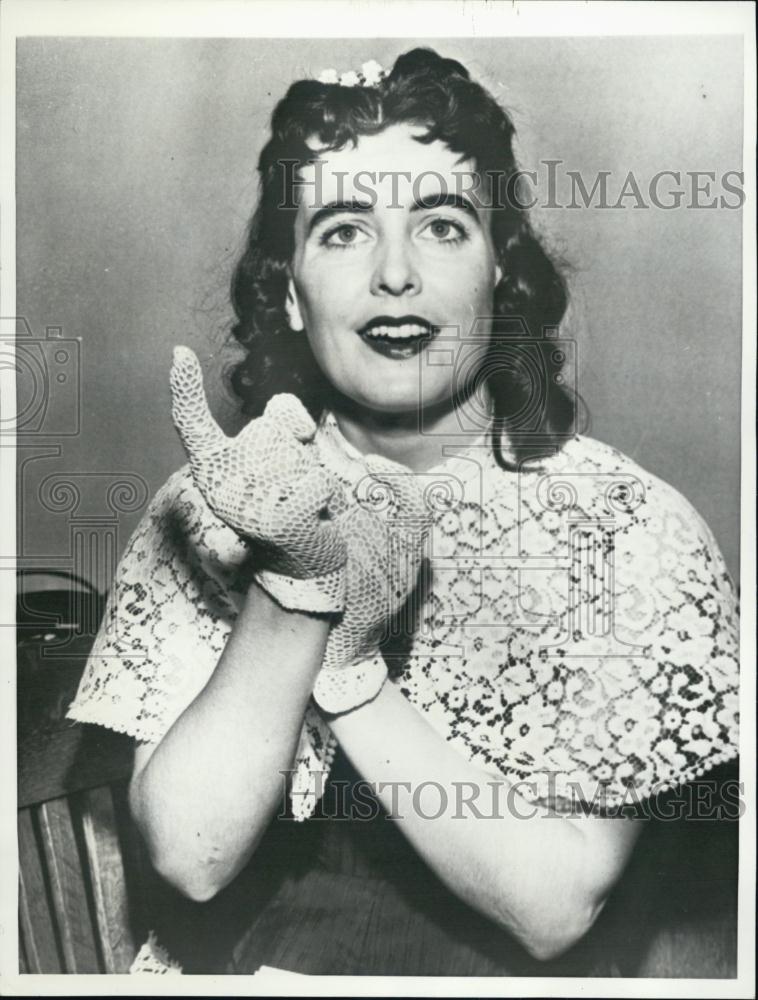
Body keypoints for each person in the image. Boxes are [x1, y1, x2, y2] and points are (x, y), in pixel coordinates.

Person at [67, 48, 740, 976]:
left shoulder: (624, 529)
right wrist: (295, 585)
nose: (395, 274)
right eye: (343, 231)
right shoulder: (207, 510)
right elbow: (191, 861)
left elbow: (553, 906)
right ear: (290, 293)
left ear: (501, 270)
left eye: (441, 225)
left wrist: (350, 674)